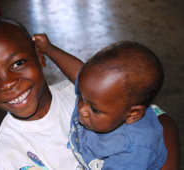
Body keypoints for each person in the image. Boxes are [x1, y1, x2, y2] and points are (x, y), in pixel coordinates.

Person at [0, 17, 179, 170]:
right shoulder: (4, 156)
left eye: (17, 63)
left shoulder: (87, 96)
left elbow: (164, 122)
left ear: (39, 57)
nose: (7, 84)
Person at [32, 34, 174, 169]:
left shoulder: (131, 150)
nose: (82, 109)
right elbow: (77, 73)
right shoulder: (99, 95)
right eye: (81, 95)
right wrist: (50, 49)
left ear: (132, 115)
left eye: (95, 109)